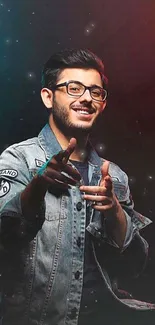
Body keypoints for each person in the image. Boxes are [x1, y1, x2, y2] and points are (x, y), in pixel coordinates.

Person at [0, 48, 154, 325]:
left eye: (96, 92)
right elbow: (6, 236)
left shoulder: (114, 176)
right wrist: (38, 184)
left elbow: (135, 266)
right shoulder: (18, 159)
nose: (86, 98)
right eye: (74, 88)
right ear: (48, 97)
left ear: (103, 104)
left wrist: (115, 212)